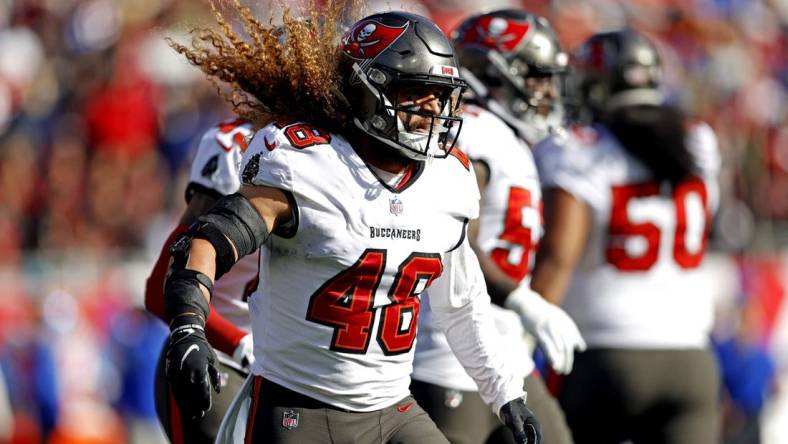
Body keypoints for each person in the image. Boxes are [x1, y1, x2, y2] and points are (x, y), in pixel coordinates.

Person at [163, 7, 540, 444]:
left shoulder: (448, 180)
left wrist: (506, 393)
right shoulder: (307, 165)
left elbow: (462, 304)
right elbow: (207, 240)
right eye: (418, 92)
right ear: (369, 91)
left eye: (441, 96)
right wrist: (189, 325)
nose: (433, 110)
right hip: (299, 407)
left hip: (394, 409)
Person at [531, 30, 721, 444]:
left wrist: (522, 339)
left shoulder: (580, 148)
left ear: (596, 85)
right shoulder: (699, 139)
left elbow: (559, 256)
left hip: (604, 354)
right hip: (691, 356)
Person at [411, 10, 580, 444]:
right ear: (492, 73)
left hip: (508, 357)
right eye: (537, 76)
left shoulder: (508, 138)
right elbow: (456, 238)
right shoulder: (474, 131)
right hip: (451, 356)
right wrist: (522, 299)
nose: (546, 91)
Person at [144, 118, 257, 443]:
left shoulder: (324, 151)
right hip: (215, 356)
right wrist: (237, 342)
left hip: (275, 363)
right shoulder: (233, 145)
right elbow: (158, 292)